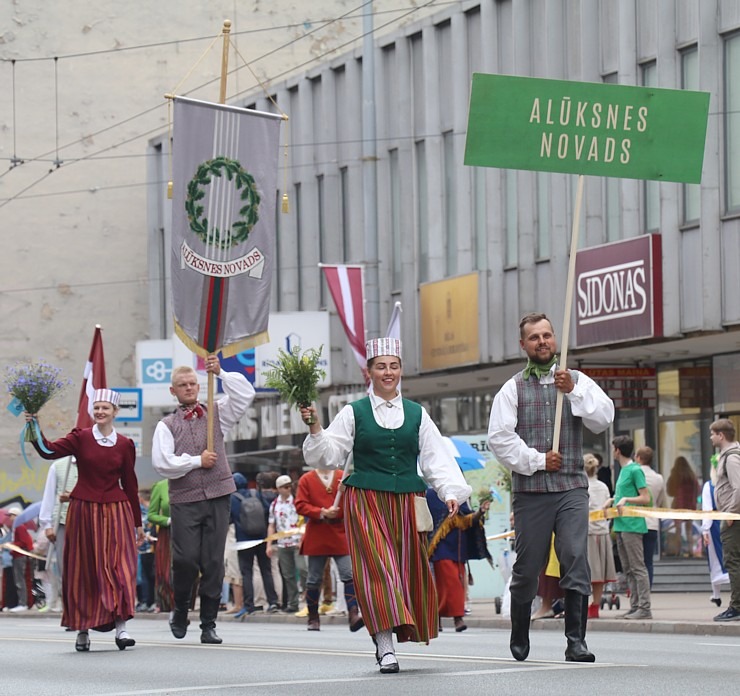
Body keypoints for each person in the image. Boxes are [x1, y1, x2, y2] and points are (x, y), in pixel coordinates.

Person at [301, 337, 472, 674]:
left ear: (401, 371)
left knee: (406, 571)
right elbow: (330, 453)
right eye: (381, 366)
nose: (388, 372)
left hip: (408, 501)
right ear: (370, 372)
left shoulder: (417, 414)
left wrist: (450, 491)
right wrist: (315, 427)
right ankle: (384, 647)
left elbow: (436, 457)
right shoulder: (354, 412)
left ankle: (393, 635)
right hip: (365, 500)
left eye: (393, 366)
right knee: (378, 570)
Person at [487, 312, 614, 663]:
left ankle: (576, 640)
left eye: (547, 335)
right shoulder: (512, 388)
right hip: (532, 492)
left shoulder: (574, 379)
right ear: (523, 345)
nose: (542, 342)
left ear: (555, 339)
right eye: (534, 337)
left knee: (575, 556)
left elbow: (603, 417)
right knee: (529, 565)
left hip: (572, 487)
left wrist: (573, 392)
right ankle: (519, 629)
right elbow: (499, 439)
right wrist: (539, 460)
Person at [28, 389, 143, 652]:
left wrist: (138, 523)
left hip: (116, 510)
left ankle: (122, 628)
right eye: (97, 407)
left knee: (119, 568)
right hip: (83, 511)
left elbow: (131, 485)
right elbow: (49, 451)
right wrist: (33, 426)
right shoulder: (80, 438)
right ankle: (82, 630)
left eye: (106, 408)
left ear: (115, 412)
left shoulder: (125, 444)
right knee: (83, 569)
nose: (101, 412)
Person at [151, 356, 254, 644]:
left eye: (192, 384)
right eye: (182, 385)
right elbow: (163, 463)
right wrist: (197, 461)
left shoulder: (218, 411)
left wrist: (220, 372)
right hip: (185, 498)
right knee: (184, 560)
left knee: (213, 562)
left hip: (219, 494)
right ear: (173, 391)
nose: (189, 388)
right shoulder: (166, 425)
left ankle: (208, 622)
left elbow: (246, 393)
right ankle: (181, 609)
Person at [294, 466, 362, 632]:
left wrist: (346, 492)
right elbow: (300, 505)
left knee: (348, 574)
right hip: (318, 532)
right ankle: (313, 617)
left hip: (339, 532)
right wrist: (322, 512)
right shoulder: (307, 479)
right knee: (314, 578)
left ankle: (353, 614)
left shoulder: (342, 476)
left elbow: (355, 503)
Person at [425, 489, 490, 632]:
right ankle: (448, 619)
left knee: (459, 585)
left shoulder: (461, 494)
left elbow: (467, 519)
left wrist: (480, 511)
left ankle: (451, 619)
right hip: (440, 549)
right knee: (447, 585)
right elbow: (429, 520)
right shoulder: (430, 495)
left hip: (459, 549)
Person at [609, 435, 652, 620]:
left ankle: (644, 607)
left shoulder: (635, 470)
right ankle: (635, 606)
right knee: (628, 568)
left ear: (617, 450)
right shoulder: (624, 470)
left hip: (632, 525)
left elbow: (645, 498)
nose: (612, 452)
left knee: (637, 567)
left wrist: (626, 499)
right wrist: (612, 500)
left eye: (613, 448)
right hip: (621, 524)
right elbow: (623, 494)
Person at [230, 472, 280, 618]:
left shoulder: (233, 498)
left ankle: (249, 605)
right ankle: (273, 602)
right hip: (261, 538)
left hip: (243, 541)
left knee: (247, 573)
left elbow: (229, 519)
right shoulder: (256, 493)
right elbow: (266, 510)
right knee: (266, 570)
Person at [709, 419, 740, 622]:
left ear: (721, 435)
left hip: (732, 517)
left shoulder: (731, 458)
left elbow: (738, 487)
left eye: (712, 434)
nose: (710, 437)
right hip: (730, 515)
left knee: (733, 561)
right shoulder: (726, 456)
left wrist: (730, 513)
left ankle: (736, 606)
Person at [38, 455, 77, 612]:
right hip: (63, 522)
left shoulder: (96, 462)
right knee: (65, 568)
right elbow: (49, 496)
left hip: (90, 521)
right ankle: (70, 611)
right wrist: (47, 524)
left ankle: (89, 610)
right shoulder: (59, 466)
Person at [267, 474, 305, 615]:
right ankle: (293, 603)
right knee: (288, 575)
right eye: (285, 487)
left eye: (289, 486)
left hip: (296, 541)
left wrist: (302, 539)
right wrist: (269, 544)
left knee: (303, 570)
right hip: (282, 543)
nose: (288, 489)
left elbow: (303, 521)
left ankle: (309, 599)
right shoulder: (274, 504)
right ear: (278, 489)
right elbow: (271, 525)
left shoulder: (296, 501)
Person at [584, 454, 616, 618]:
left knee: (585, 571)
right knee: (600, 574)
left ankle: (583, 604)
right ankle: (595, 606)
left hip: (586, 532)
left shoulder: (582, 486)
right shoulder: (603, 487)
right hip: (602, 532)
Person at [635, 446, 665, 586]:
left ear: (639, 458)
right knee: (648, 561)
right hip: (652, 522)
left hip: (635, 522)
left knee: (636, 561)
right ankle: (648, 590)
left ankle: (637, 591)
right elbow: (660, 500)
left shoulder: (634, 474)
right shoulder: (658, 478)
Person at [702, 454, 730, 607]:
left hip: (714, 524)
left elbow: (707, 510)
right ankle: (716, 594)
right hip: (730, 521)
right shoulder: (732, 484)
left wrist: (705, 530)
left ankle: (717, 594)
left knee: (715, 560)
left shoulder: (709, 486)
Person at [666, 455, 701, 557]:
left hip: (678, 505)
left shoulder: (675, 475)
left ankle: (678, 551)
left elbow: (670, 491)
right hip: (690, 505)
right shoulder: (692, 476)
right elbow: (698, 490)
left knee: (678, 530)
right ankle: (691, 551)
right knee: (689, 530)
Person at [148, 478, 173, 613]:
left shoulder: (191, 483)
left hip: (188, 530)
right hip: (167, 532)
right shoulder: (160, 486)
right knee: (165, 572)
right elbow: (151, 515)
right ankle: (169, 605)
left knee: (190, 568)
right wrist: (167, 520)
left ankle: (184, 604)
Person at [5, 506, 33, 611]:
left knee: (20, 580)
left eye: (11, 516)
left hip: (19, 556)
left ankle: (23, 603)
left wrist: (11, 545)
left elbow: (24, 542)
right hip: (16, 555)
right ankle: (20, 602)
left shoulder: (20, 527)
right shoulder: (16, 527)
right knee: (17, 579)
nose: (10, 518)